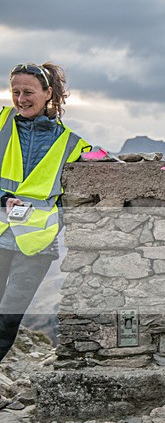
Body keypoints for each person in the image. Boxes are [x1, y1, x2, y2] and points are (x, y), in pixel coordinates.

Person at [0, 62, 90, 363]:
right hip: (0, 234)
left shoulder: (70, 143)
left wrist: (55, 221)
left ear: (47, 92)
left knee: (8, 321)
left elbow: (81, 188)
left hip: (36, 244)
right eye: (15, 92)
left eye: (28, 92)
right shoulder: (1, 123)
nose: (21, 99)